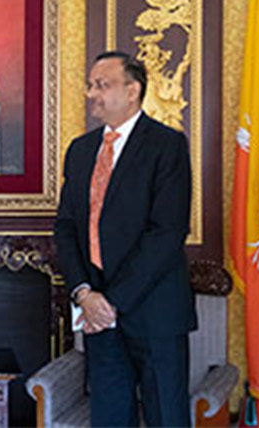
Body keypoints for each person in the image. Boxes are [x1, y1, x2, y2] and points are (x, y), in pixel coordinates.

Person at [53, 51, 198, 427]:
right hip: (98, 316)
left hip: (154, 314)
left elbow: (166, 233)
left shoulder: (167, 146)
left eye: (102, 85)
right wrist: (85, 294)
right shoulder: (81, 151)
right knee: (109, 417)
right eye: (90, 86)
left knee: (166, 416)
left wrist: (111, 302)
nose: (91, 94)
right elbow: (66, 228)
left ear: (133, 90)